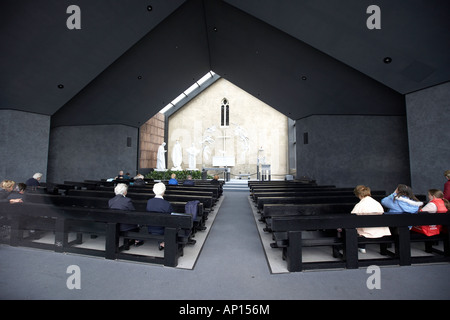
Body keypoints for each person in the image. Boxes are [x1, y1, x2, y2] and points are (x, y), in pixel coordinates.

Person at [351, 185, 391, 253]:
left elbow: (353, 217)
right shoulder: (377, 203)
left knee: (354, 226)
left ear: (359, 195)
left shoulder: (360, 205)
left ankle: (361, 246)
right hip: (381, 230)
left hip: (367, 231)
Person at [108, 183, 142, 248]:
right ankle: (137, 239)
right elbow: (133, 213)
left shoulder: (110, 201)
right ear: (125, 192)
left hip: (114, 224)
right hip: (125, 226)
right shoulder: (127, 200)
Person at [146, 182, 174, 250]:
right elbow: (171, 217)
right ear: (163, 191)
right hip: (162, 229)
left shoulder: (149, 201)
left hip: (150, 227)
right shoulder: (166, 204)